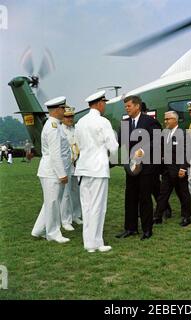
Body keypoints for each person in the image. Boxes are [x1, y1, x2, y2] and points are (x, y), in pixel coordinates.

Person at [74, 90, 118, 253]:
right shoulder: (103, 122)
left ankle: (89, 243)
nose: (104, 106)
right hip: (98, 168)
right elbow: (113, 147)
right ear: (100, 103)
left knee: (86, 206)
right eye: (104, 103)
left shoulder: (80, 122)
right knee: (98, 206)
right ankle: (96, 242)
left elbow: (77, 144)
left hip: (84, 167)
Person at [116, 95, 162, 240]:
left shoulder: (150, 122)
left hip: (147, 168)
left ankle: (147, 230)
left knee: (145, 199)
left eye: (129, 106)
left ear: (137, 106)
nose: (127, 108)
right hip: (131, 168)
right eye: (125, 107)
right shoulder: (124, 123)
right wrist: (125, 164)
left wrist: (144, 150)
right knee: (130, 198)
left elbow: (158, 141)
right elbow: (122, 145)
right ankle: (130, 228)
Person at [31, 96, 70, 243]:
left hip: (50, 170)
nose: (64, 111)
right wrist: (62, 174)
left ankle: (38, 230)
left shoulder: (54, 124)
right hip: (52, 171)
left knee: (49, 202)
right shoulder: (53, 127)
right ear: (57, 110)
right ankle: (53, 233)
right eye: (63, 108)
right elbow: (55, 154)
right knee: (53, 203)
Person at [153, 111, 191, 227]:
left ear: (175, 120)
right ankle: (157, 216)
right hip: (166, 170)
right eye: (165, 119)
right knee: (163, 194)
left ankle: (186, 217)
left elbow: (188, 152)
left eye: (168, 119)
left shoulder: (184, 134)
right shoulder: (164, 134)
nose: (165, 121)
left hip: (179, 170)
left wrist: (183, 168)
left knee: (183, 194)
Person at [60, 106, 83, 231]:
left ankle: (76, 215)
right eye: (67, 116)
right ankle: (65, 220)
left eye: (71, 116)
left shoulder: (75, 129)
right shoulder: (60, 131)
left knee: (76, 192)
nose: (70, 119)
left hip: (77, 165)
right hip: (66, 166)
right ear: (62, 117)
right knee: (66, 194)